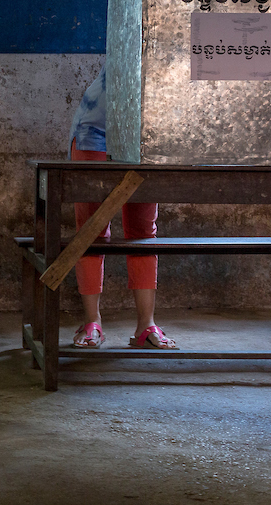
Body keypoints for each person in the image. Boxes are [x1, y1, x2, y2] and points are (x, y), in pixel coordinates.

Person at [68, 64, 178, 350]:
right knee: (91, 230)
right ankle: (92, 322)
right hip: (95, 132)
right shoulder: (132, 41)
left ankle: (146, 325)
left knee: (143, 233)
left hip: (146, 135)